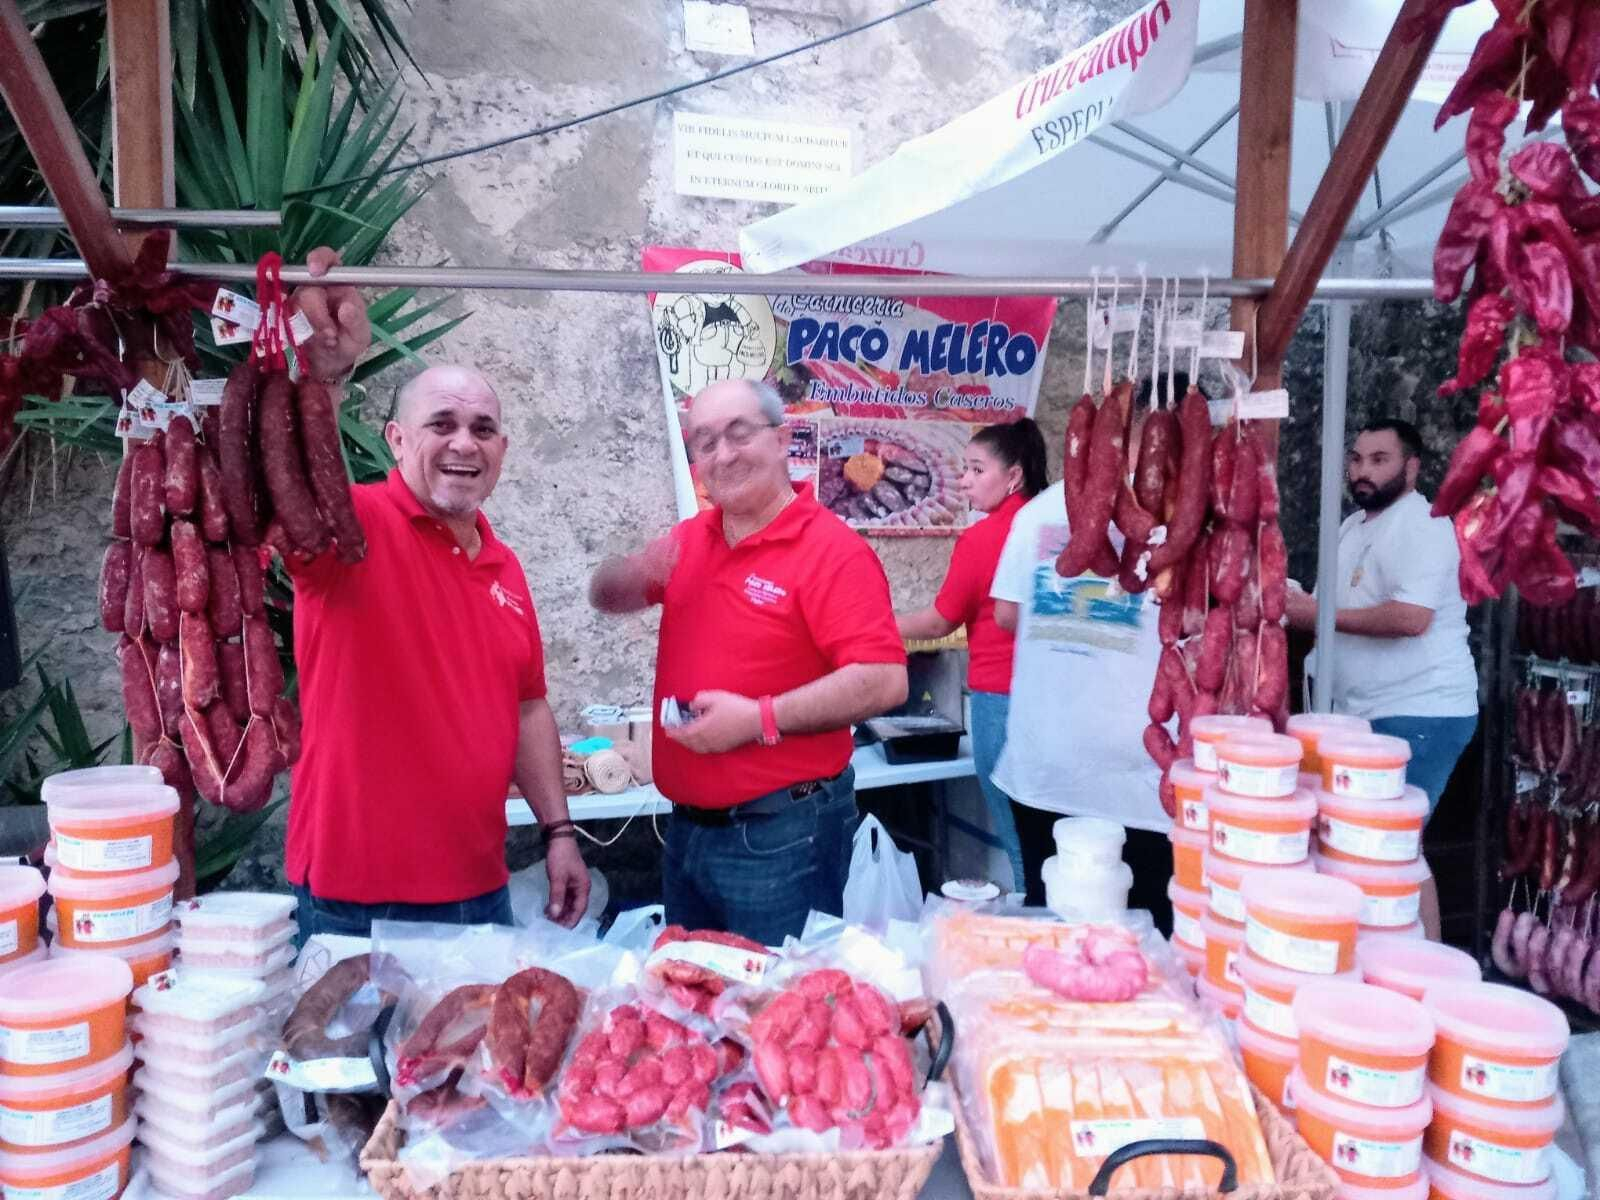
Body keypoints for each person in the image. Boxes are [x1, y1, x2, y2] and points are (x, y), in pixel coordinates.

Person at [285, 248, 589, 940]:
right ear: (395, 440)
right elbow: (302, 480)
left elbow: (528, 705)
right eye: (441, 424)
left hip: (480, 891)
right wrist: (328, 377)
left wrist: (559, 831)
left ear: (502, 452)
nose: (464, 443)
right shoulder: (353, 525)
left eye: (483, 430)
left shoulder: (506, 567)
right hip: (358, 899)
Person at [588, 379, 908, 944]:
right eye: (705, 442)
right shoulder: (691, 539)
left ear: (783, 439)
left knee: (772, 1010)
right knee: (696, 1009)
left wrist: (759, 719)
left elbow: (883, 681)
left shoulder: (831, 551)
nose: (723, 454)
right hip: (688, 829)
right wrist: (618, 580)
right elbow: (610, 594)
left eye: (740, 434)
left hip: (783, 833)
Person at [988, 379, 1180, 929]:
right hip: (1061, 777)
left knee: (1112, 950)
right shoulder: (1042, 515)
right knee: (1118, 946)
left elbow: (1009, 613)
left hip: (1134, 785)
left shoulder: (1038, 514)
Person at [1286, 417, 1479, 941]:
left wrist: (1313, 615)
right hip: (1364, 715)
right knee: (1365, 844)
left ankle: (1431, 967)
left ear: (1411, 467)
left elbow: (1410, 618)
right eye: (1357, 459)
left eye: (1379, 460)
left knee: (1394, 845)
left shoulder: (1423, 524)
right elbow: (1332, 609)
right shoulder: (1353, 527)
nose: (1363, 471)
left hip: (1421, 710)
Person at [894, 419, 1048, 894]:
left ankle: (1032, 922)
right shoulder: (1051, 526)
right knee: (1045, 828)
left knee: (1016, 836)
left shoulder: (984, 539)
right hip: (1052, 699)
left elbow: (942, 620)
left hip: (1000, 700)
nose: (963, 480)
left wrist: (873, 628)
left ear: (1014, 477)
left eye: (976, 469)